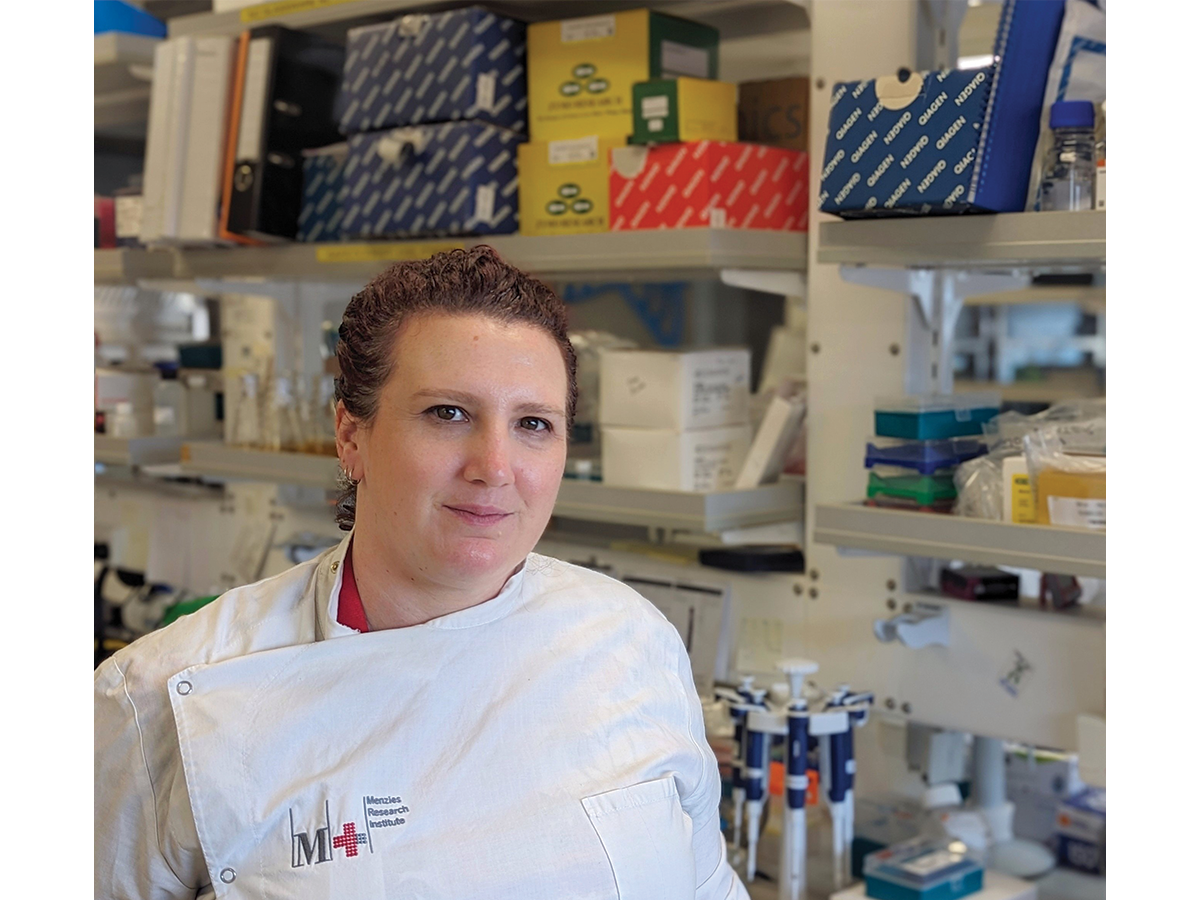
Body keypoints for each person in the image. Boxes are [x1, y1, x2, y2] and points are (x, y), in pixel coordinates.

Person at [95, 247, 749, 900]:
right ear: (351, 436)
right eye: (448, 413)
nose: (494, 466)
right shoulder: (156, 695)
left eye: (533, 424)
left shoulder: (631, 642)